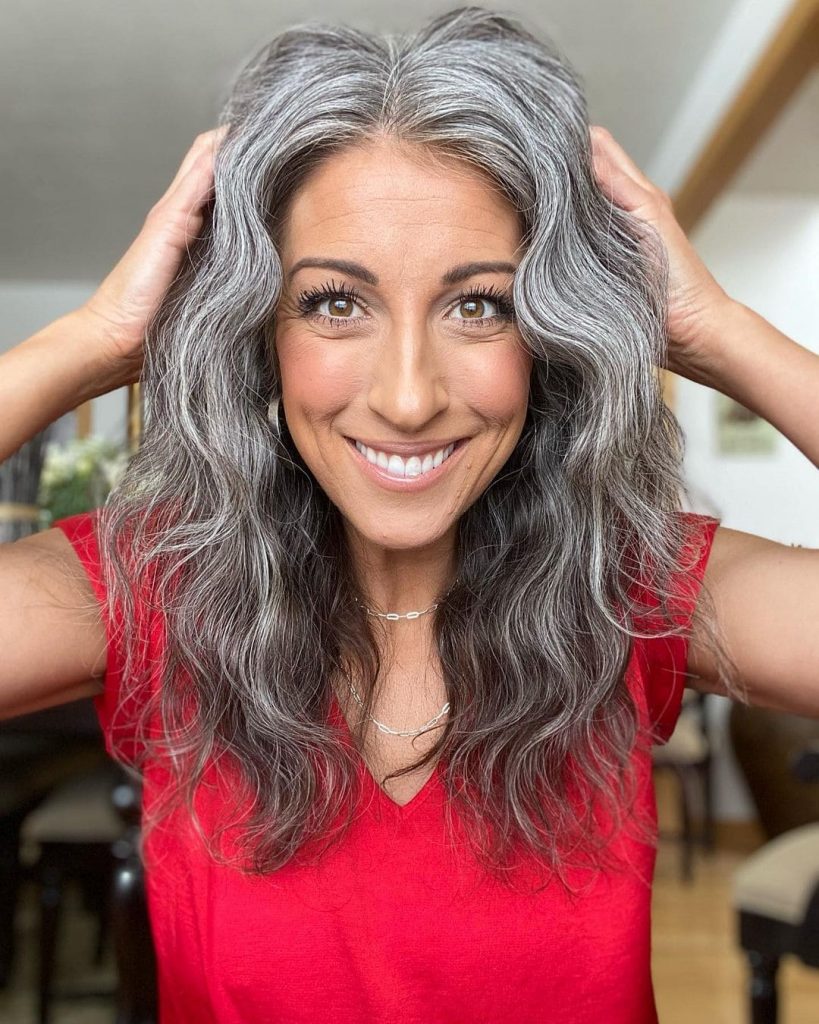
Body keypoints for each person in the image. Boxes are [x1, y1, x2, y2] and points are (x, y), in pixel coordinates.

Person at [1, 7, 817, 1022]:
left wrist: (723, 332)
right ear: (258, 329)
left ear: (551, 330)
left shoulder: (632, 590)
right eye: (335, 301)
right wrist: (93, 339)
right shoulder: (155, 591)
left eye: (480, 304)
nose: (407, 394)